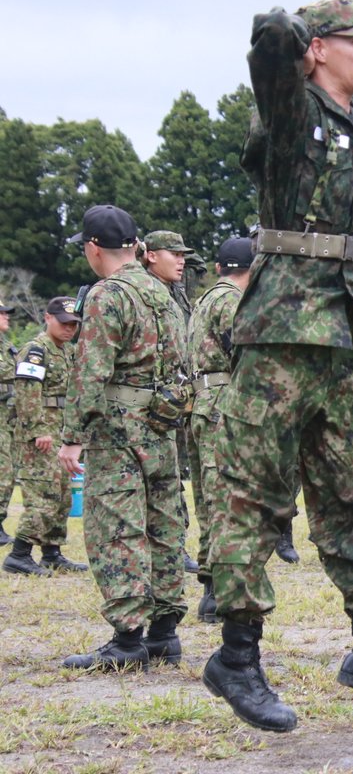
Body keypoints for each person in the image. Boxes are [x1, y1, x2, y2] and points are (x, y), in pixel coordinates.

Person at [203, 0, 353, 734]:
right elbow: (270, 40)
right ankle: (236, 658)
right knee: (254, 495)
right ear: (316, 51)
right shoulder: (284, 106)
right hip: (280, 326)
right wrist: (302, 45)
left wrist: (351, 57)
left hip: (340, 325)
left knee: (351, 491)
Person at [58, 204, 189, 672]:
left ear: (94, 248)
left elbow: (90, 370)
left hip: (117, 428)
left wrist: (72, 437)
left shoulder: (105, 295)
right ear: (136, 247)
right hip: (161, 425)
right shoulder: (162, 292)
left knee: (116, 527)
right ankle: (164, 634)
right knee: (164, 524)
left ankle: (128, 638)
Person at [188, 236, 254, 623]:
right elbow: (242, 353)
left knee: (209, 497)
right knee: (226, 496)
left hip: (203, 402)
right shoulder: (232, 301)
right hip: (225, 404)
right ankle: (218, 590)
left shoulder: (204, 299)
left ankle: (212, 582)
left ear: (219, 267)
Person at [2, 297, 88, 576]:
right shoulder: (36, 350)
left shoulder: (68, 351)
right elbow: (27, 392)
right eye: (64, 323)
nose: (69, 329)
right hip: (39, 434)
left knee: (63, 494)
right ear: (48, 318)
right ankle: (19, 554)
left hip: (61, 431)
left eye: (74, 324)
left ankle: (52, 552)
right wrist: (37, 429)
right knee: (44, 494)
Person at [141, 231, 203, 576]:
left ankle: (172, 546)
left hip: (174, 403)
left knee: (172, 479)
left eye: (184, 255)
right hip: (144, 405)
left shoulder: (175, 293)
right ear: (150, 255)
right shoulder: (136, 292)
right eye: (174, 254)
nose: (181, 261)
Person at [0, 298, 17, 546]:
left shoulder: (8, 347)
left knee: (7, 472)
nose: (6, 316)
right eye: (1, 313)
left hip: (8, 419)